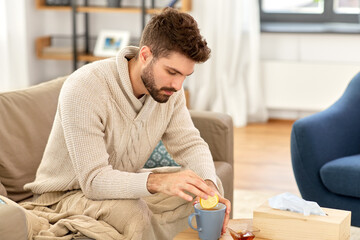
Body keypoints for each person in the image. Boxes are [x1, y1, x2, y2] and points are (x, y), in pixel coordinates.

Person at [22, 7, 231, 239]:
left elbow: (190, 143)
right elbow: (93, 181)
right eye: (171, 72)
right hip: (66, 195)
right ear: (145, 55)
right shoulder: (84, 88)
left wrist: (209, 184)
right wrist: (158, 181)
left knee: (200, 191)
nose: (178, 85)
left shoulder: (169, 91)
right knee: (134, 213)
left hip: (119, 185)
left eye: (184, 75)